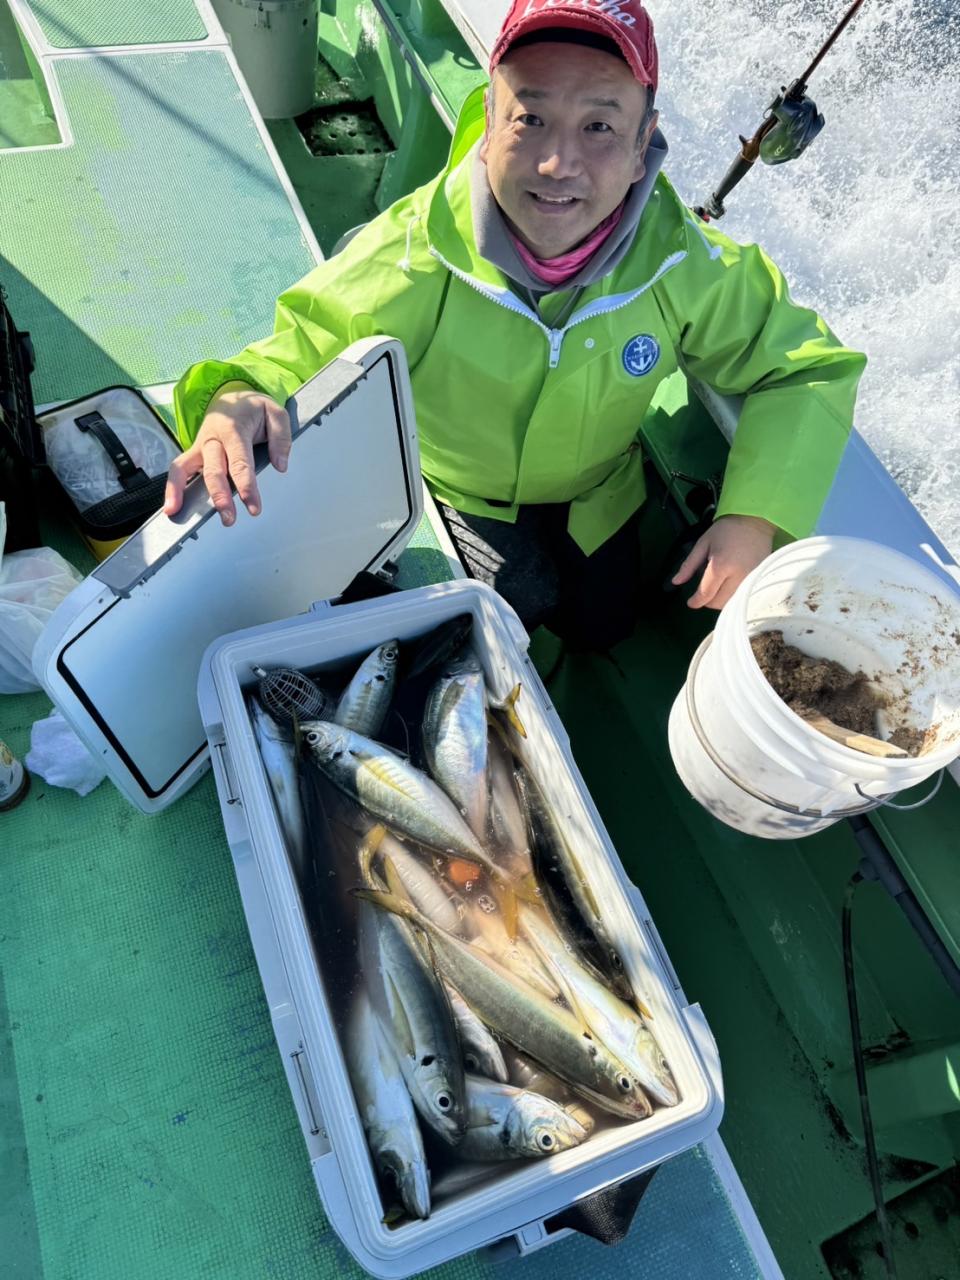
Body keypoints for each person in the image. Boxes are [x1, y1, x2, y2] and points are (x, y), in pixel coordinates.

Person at [165, 0, 865, 651]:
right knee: (512, 607)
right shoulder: (411, 255)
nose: (559, 165)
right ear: (490, 119)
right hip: (459, 492)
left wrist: (753, 516)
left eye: (599, 127)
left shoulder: (684, 262)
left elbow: (806, 366)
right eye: (530, 119)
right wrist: (232, 398)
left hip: (598, 492)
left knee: (604, 625)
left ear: (643, 143)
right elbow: (292, 354)